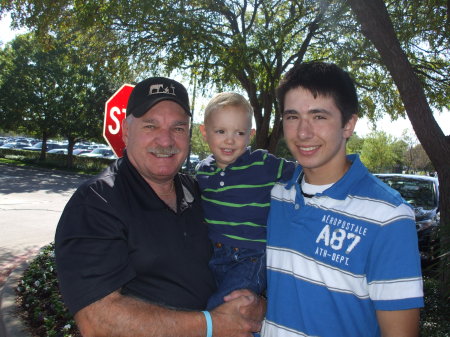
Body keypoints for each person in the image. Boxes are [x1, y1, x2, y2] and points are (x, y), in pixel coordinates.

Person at [55, 77, 265, 337]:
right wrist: (213, 325)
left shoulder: (200, 191)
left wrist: (257, 305)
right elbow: (98, 321)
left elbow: (245, 254)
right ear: (126, 131)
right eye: (151, 126)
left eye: (177, 128)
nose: (165, 141)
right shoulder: (98, 201)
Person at [261, 62, 423, 337]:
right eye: (292, 116)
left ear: (348, 125)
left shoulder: (388, 216)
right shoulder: (278, 195)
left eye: (319, 116)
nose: (302, 132)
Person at [196, 92, 295, 310]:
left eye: (239, 133)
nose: (230, 140)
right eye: (220, 131)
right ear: (205, 132)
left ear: (250, 134)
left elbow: (300, 172)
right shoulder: (202, 172)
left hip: (251, 257)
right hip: (214, 254)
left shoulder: (262, 164)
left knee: (224, 307)